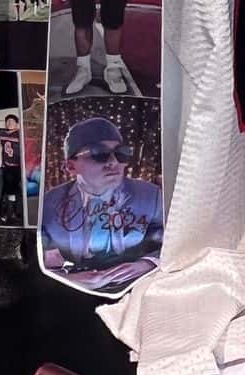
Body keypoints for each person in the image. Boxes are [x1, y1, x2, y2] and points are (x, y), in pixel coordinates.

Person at [39, 116, 164, 294]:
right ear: (70, 166)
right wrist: (67, 279)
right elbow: (40, 258)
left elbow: (177, 242)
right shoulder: (48, 205)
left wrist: (148, 264)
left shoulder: (151, 196)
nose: (113, 162)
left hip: (138, 289)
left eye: (121, 153)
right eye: (98, 154)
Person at [0, 113, 24, 224]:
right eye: (7, 121)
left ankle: (15, 212)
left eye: (12, 121)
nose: (9, 123)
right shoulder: (1, 132)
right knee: (7, 190)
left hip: (18, 167)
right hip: (6, 166)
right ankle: (8, 212)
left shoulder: (21, 134)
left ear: (17, 124)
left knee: (16, 190)